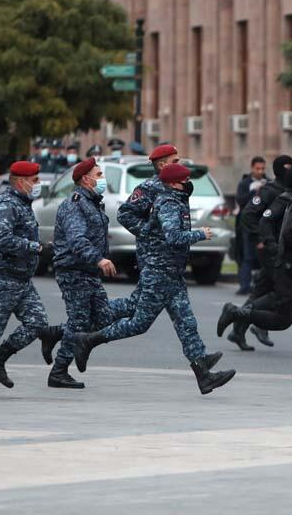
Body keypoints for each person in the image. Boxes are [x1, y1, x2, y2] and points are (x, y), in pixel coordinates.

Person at [72, 164, 234, 394]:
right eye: (183, 180)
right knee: (139, 323)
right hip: (159, 273)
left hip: (172, 273)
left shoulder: (176, 199)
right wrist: (200, 234)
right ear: (173, 183)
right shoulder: (169, 203)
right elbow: (173, 236)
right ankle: (88, 340)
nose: (187, 183)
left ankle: (203, 373)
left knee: (186, 322)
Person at [221, 163, 292, 380]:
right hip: (289, 269)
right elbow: (288, 232)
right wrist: (270, 244)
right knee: (282, 319)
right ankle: (236, 313)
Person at [47, 158, 136, 388]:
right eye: (98, 175)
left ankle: (55, 333)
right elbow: (77, 240)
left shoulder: (93, 202)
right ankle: (58, 372)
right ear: (85, 179)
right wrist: (99, 259)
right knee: (79, 322)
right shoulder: (75, 204)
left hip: (88, 272)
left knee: (103, 318)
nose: (102, 179)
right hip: (73, 270)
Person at [216, 167, 292, 346]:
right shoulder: (270, 191)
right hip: (273, 252)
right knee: (277, 294)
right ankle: (251, 323)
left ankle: (238, 329)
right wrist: (262, 239)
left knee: (260, 292)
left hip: (280, 253)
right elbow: (250, 215)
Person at [0, 162, 64, 388]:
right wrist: (36, 247)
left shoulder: (23, 204)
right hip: (2, 279)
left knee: (36, 324)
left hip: (21, 281)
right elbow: (0, 238)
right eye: (35, 180)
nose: (38, 185)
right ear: (20, 182)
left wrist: (43, 247)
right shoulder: (7, 205)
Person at [117, 144, 181, 271]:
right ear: (162, 165)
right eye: (175, 161)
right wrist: (148, 231)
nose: (179, 165)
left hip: (173, 258)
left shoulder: (175, 186)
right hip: (153, 258)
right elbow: (124, 214)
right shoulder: (149, 188)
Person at [235, 156, 268, 296]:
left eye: (262, 168)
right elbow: (240, 200)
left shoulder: (268, 182)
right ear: (252, 168)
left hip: (262, 223)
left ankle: (262, 285)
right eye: (257, 168)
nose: (260, 171)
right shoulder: (245, 183)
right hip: (248, 224)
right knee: (247, 256)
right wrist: (254, 191)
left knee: (264, 257)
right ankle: (245, 285)